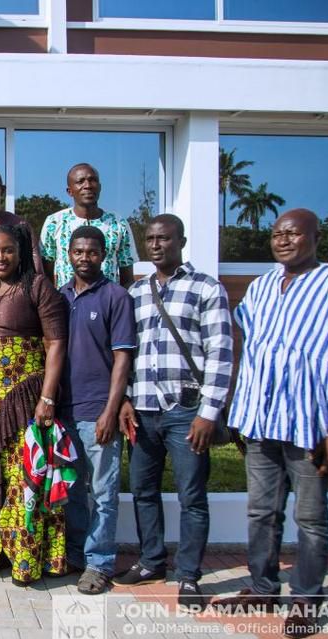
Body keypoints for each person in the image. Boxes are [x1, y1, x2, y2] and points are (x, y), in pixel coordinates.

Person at [217, 208, 328, 639]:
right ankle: (262, 586)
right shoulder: (260, 289)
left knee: (311, 518)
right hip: (262, 421)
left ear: (315, 238)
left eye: (294, 233)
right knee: (261, 512)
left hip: (311, 426)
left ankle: (306, 601)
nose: (284, 240)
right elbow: (249, 353)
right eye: (277, 233)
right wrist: (239, 411)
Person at [115, 214, 233, 607]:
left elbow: (220, 354)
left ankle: (189, 575)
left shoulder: (206, 289)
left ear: (181, 240)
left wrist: (209, 412)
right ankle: (151, 561)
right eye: (149, 239)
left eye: (164, 238)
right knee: (143, 490)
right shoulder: (135, 293)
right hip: (143, 411)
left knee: (191, 495)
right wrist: (125, 400)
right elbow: (126, 354)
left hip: (187, 411)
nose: (156, 245)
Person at [0, 225, 69, 586]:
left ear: (20, 253)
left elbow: (56, 345)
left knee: (25, 477)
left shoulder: (37, 288)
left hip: (27, 400)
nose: (0, 258)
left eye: (7, 251)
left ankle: (25, 559)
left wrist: (47, 397)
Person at [59, 226, 135, 595]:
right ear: (68, 255)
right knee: (72, 490)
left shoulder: (116, 297)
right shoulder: (60, 297)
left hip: (98, 411)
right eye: (78, 252)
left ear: (103, 255)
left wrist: (111, 409)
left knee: (103, 492)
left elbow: (122, 358)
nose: (84, 258)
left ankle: (99, 562)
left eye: (92, 252)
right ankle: (75, 555)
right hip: (65, 412)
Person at [39, 163, 138, 288]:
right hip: (67, 303)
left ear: (100, 187)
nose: (88, 186)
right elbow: (46, 276)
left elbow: (127, 278)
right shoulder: (54, 222)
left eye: (93, 180)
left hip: (108, 304)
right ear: (70, 191)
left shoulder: (118, 223)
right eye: (80, 181)